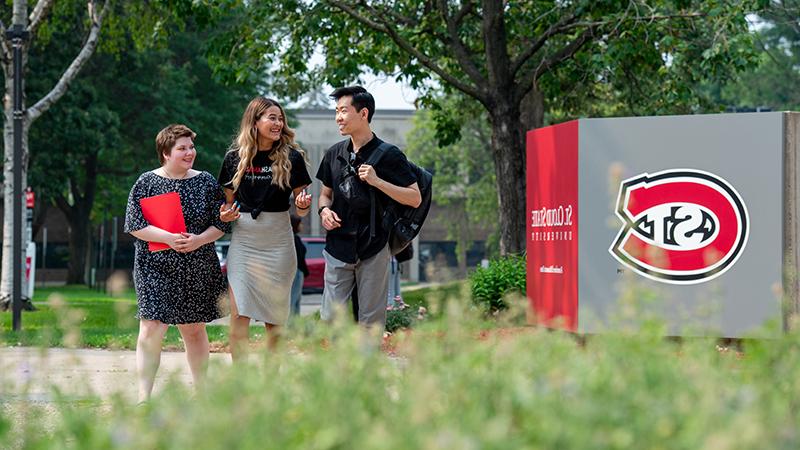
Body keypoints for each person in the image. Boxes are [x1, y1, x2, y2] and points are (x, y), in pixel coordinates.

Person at [124, 124, 231, 402]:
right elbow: (135, 224)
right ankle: (144, 397)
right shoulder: (146, 183)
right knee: (151, 328)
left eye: (191, 147)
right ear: (165, 153)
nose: (189, 152)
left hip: (197, 266)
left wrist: (198, 240)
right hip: (155, 267)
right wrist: (169, 238)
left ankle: (202, 394)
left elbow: (220, 224)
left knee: (194, 329)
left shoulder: (206, 181)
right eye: (182, 148)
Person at [316, 86, 421, 328]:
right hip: (337, 245)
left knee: (370, 321)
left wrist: (377, 181)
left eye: (343, 111)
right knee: (331, 319)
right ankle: (341, 365)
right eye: (336, 111)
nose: (338, 117)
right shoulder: (334, 154)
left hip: (374, 246)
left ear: (363, 113)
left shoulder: (390, 155)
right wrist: (324, 211)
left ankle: (366, 365)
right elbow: (325, 195)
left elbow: (414, 197)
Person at [218, 96, 312, 360]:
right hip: (245, 244)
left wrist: (303, 205)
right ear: (255, 121)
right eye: (272, 117)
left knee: (275, 321)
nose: (278, 123)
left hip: (279, 243)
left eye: (280, 118)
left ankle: (271, 382)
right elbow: (226, 205)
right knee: (239, 315)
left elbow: (301, 209)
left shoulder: (291, 157)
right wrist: (225, 215)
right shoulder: (233, 158)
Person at [290, 214, 309, 316]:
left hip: (298, 271)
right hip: (295, 271)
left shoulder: (294, 238)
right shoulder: (293, 239)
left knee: (296, 299)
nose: (302, 226)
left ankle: (295, 327)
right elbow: (299, 257)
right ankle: (289, 326)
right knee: (293, 299)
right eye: (300, 223)